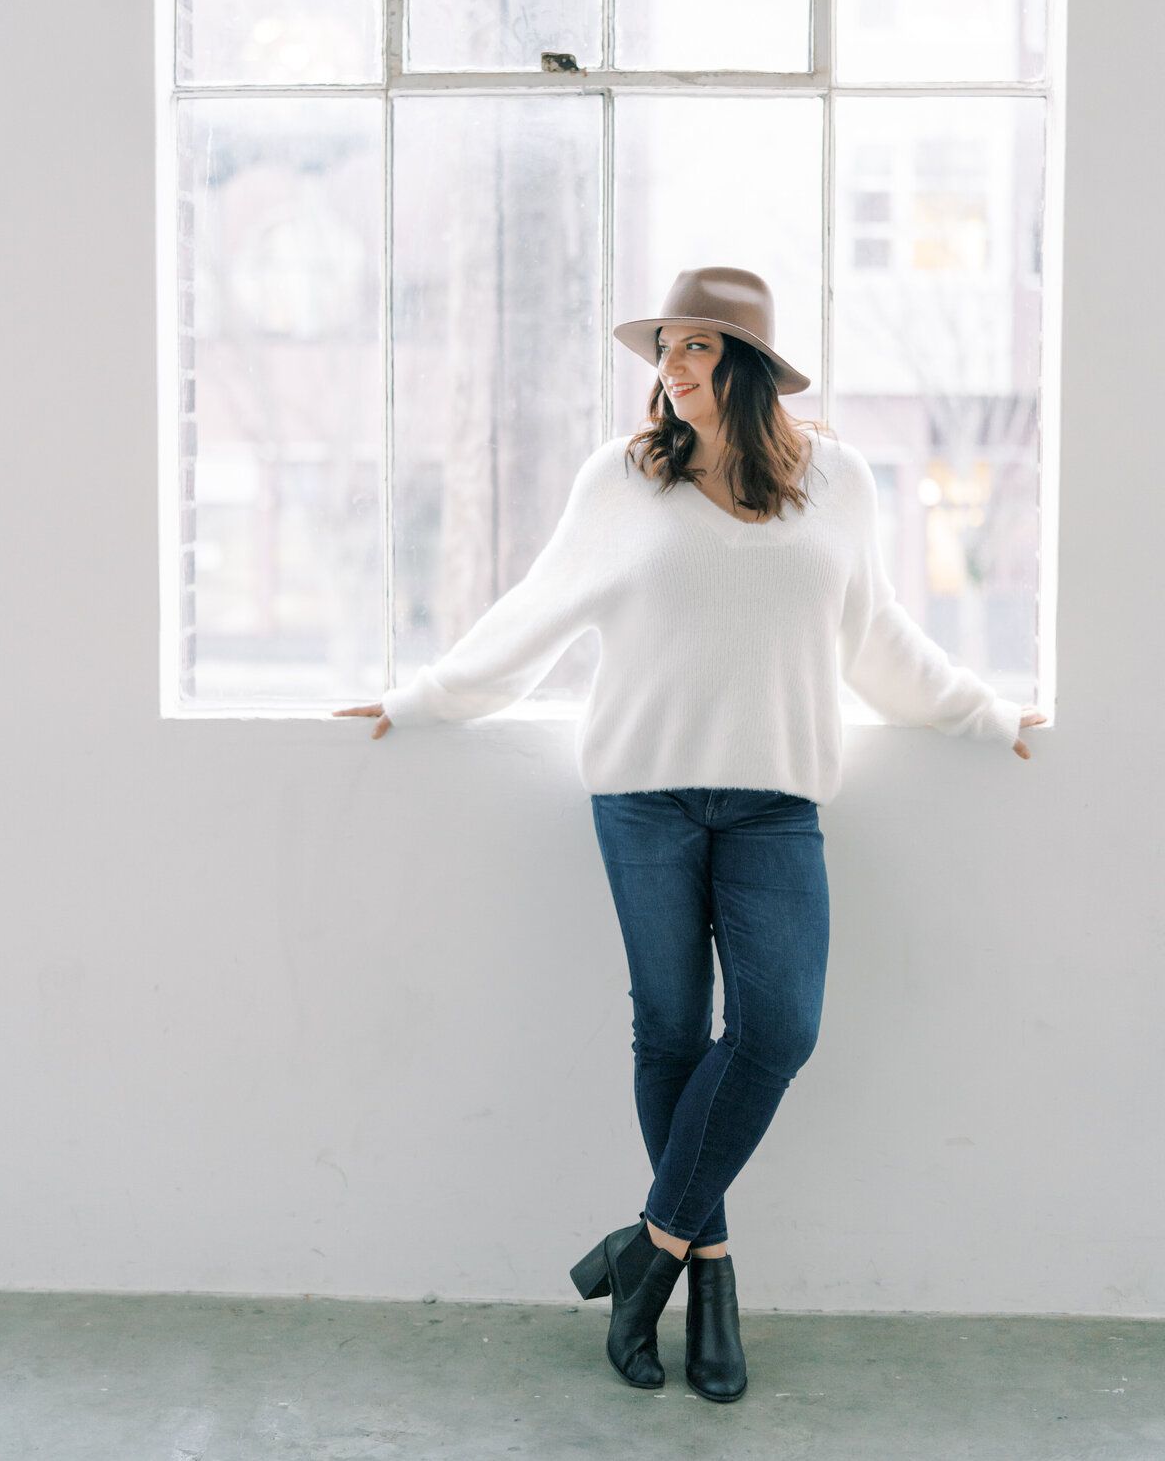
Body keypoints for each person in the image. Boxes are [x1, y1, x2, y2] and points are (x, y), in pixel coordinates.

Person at [335, 264, 1046, 1404]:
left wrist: (983, 710)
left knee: (776, 1025)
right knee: (668, 1033)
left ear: (749, 364)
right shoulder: (621, 478)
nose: (670, 365)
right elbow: (537, 607)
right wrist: (424, 695)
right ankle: (705, 1273)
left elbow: (877, 632)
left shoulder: (839, 479)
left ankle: (646, 1248)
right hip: (644, 795)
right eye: (664, 346)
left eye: (696, 347)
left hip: (775, 801)